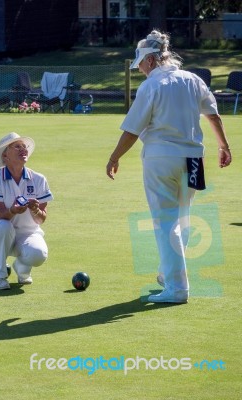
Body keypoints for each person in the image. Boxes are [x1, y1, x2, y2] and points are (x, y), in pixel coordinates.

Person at [106, 30, 232, 304]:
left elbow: (131, 129)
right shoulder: (193, 79)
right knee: (183, 218)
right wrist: (224, 146)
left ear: (150, 60)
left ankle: (177, 288)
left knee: (166, 222)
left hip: (161, 158)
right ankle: (168, 273)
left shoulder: (151, 86)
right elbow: (213, 114)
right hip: (194, 159)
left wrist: (114, 157)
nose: (139, 69)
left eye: (139, 63)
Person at [0, 132, 54, 290]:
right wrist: (14, 210)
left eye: (24, 146)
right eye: (17, 147)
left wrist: (35, 210)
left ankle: (22, 267)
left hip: (28, 233)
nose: (23, 149)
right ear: (5, 155)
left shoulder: (39, 179)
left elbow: (41, 219)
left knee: (38, 255)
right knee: (3, 226)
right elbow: (0, 214)